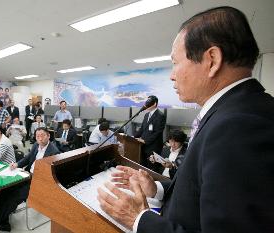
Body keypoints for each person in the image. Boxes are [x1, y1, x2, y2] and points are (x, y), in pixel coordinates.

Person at [97, 6, 274, 233]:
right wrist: (156, 190)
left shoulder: (239, 126)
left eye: (175, 62)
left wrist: (138, 219)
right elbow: (202, 190)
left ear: (212, 59)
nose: (172, 75)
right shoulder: (232, 112)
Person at [0, 127, 60, 231]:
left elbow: (50, 174)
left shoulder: (54, 152)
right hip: (27, 176)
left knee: (14, 197)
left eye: (42, 135)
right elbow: (27, 158)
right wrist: (17, 164)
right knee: (5, 189)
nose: (40, 138)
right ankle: (4, 221)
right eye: (37, 136)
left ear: (48, 136)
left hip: (39, 182)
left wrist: (33, 175)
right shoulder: (35, 145)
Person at [133, 95, 166, 171]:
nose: (146, 104)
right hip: (143, 146)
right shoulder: (146, 115)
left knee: (152, 168)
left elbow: (158, 132)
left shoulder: (160, 116)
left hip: (153, 147)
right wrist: (133, 137)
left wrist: (145, 141)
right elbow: (142, 129)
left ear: (154, 104)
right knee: (143, 166)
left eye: (148, 102)